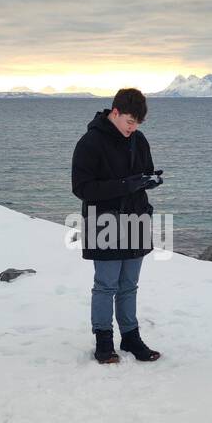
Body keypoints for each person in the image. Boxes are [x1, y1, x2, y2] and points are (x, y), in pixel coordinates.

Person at [70, 88, 164, 364]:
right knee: (106, 285)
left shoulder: (139, 139)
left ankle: (131, 337)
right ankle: (103, 342)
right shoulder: (90, 142)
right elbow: (82, 188)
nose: (132, 128)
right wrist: (124, 186)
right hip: (104, 222)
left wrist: (151, 180)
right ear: (115, 113)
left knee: (129, 285)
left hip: (135, 219)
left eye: (137, 123)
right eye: (129, 122)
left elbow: (145, 170)